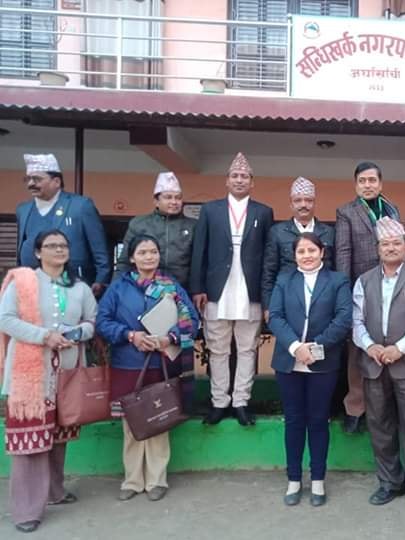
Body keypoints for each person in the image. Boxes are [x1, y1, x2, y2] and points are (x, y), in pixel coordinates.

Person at [0, 229, 97, 533]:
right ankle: (26, 511)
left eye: (63, 245)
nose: (59, 250)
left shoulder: (79, 287)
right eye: (52, 246)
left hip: (66, 373)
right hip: (29, 377)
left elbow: (92, 322)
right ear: (38, 252)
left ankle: (54, 491)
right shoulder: (22, 281)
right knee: (30, 442)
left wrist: (76, 332)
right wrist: (45, 336)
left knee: (57, 438)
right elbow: (6, 319)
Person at [96, 234, 198, 503]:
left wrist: (170, 338)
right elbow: (102, 321)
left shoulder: (171, 286)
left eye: (153, 252)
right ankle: (132, 481)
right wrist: (130, 335)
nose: (149, 257)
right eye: (142, 252)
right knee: (131, 424)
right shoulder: (119, 288)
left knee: (159, 421)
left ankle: (156, 480)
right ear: (132, 257)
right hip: (128, 364)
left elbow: (192, 320)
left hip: (160, 364)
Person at [352, 217, 405, 515]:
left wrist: (399, 348)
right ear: (378, 248)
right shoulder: (364, 281)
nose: (390, 248)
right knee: (380, 426)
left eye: (396, 243)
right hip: (374, 364)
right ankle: (390, 482)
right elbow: (356, 321)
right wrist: (370, 346)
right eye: (385, 244)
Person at [268, 232, 352, 507]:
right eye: (301, 251)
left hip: (322, 362)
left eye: (311, 250)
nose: (307, 256)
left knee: (318, 420)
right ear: (294, 256)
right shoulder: (284, 280)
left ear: (322, 252)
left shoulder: (337, 280)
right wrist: (296, 347)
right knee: (294, 421)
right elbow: (275, 317)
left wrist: (314, 348)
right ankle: (294, 479)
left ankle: (317, 480)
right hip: (289, 361)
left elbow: (344, 318)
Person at [189, 152, 273, 426]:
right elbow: (199, 250)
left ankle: (241, 402)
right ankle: (219, 402)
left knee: (247, 349)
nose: (239, 180)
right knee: (218, 349)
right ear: (226, 180)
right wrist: (198, 287)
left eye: (244, 177)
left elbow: (268, 257)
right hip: (217, 289)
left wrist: (266, 296)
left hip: (250, 289)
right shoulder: (210, 210)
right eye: (235, 176)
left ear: (252, 182)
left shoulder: (263, 212)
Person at [336, 161, 400, 434]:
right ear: (356, 185)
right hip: (361, 289)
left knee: (389, 343)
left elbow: (399, 246)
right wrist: (345, 293)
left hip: (391, 286)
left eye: (372, 180)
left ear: (380, 183)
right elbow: (343, 252)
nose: (367, 185)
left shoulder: (392, 209)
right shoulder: (346, 212)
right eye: (362, 181)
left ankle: (385, 407)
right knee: (358, 349)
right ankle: (355, 407)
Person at [16, 154, 110, 295]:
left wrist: (101, 280)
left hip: (73, 285)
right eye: (28, 179)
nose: (30, 184)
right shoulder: (23, 209)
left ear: (56, 181)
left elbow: (99, 248)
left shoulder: (81, 206)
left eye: (37, 179)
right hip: (32, 286)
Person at [261, 176, 335, 311]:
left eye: (308, 200)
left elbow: (336, 269)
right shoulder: (277, 232)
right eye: (298, 200)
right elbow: (269, 272)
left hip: (323, 301)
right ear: (291, 204)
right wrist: (268, 306)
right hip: (286, 300)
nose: (303, 205)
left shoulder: (329, 232)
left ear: (315, 203)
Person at [115, 172, 196, 290]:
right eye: (168, 197)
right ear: (156, 201)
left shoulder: (193, 226)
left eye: (178, 198)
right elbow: (125, 261)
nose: (174, 202)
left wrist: (198, 290)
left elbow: (200, 262)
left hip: (183, 289)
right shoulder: (139, 224)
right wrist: (116, 288)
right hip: (144, 288)